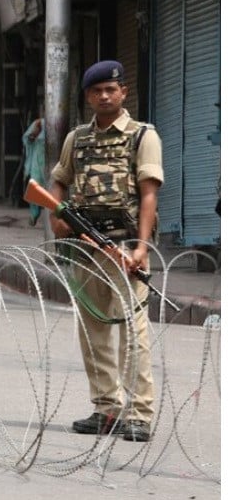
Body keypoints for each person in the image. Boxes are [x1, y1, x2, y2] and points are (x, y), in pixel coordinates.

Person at [48, 60, 163, 443]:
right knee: (93, 330)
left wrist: (142, 247)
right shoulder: (77, 138)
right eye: (97, 91)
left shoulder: (142, 135)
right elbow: (59, 181)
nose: (104, 96)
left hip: (125, 246)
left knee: (133, 331)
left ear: (123, 92)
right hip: (86, 248)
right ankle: (107, 409)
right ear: (87, 96)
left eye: (111, 89)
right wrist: (56, 216)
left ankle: (139, 414)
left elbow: (148, 194)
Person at [21, 117, 46, 225]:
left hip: (51, 162)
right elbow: (27, 138)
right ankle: (34, 214)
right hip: (37, 161)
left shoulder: (57, 123)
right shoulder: (39, 123)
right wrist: (33, 135)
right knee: (34, 187)